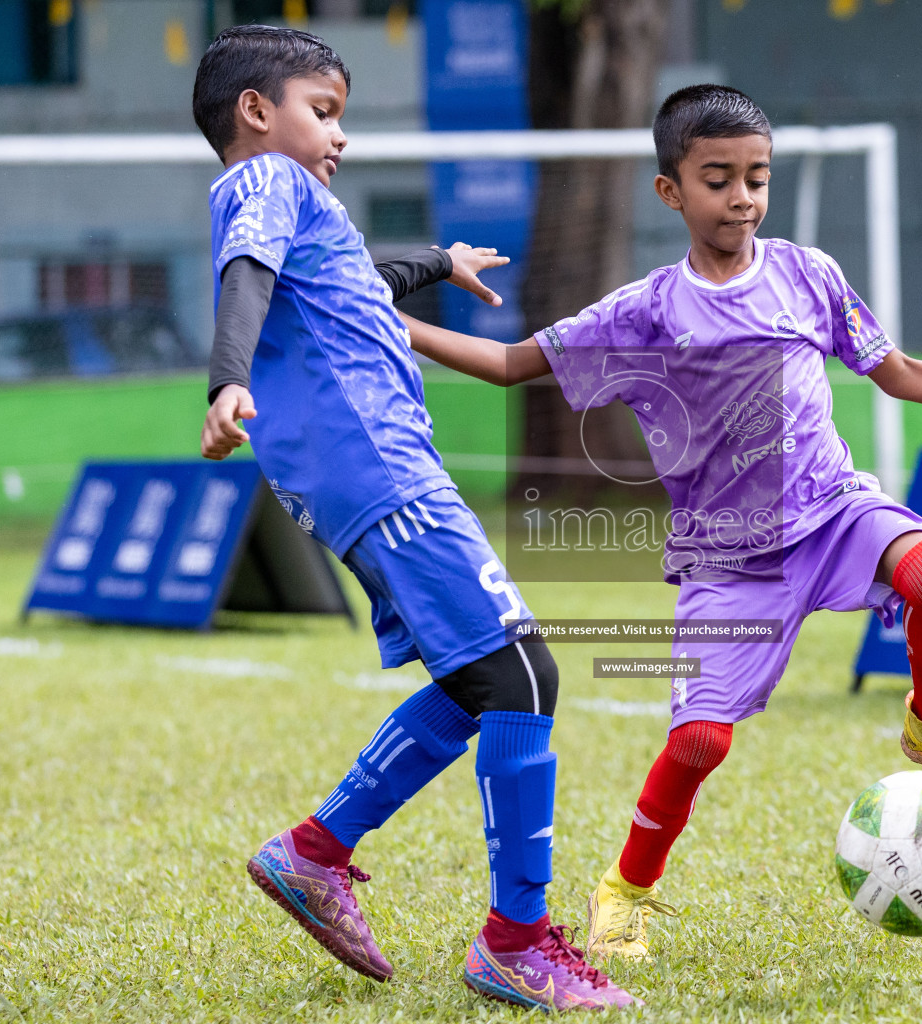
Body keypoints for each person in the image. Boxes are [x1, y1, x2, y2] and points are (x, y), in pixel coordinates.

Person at [401, 84, 922, 961]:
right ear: (672, 191)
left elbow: (894, 372)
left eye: (757, 177)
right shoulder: (646, 311)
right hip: (727, 561)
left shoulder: (807, 273)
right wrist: (393, 323)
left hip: (831, 511)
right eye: (718, 179)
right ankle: (625, 889)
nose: (742, 197)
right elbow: (514, 363)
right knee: (700, 742)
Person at [191, 25, 634, 1011]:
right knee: (523, 671)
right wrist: (226, 381)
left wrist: (439, 260)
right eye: (325, 110)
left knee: (481, 680)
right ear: (257, 114)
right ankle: (515, 942)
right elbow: (249, 279)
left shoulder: (300, 206)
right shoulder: (266, 184)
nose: (339, 134)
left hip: (367, 474)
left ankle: (313, 855)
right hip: (379, 468)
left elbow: (350, 281)